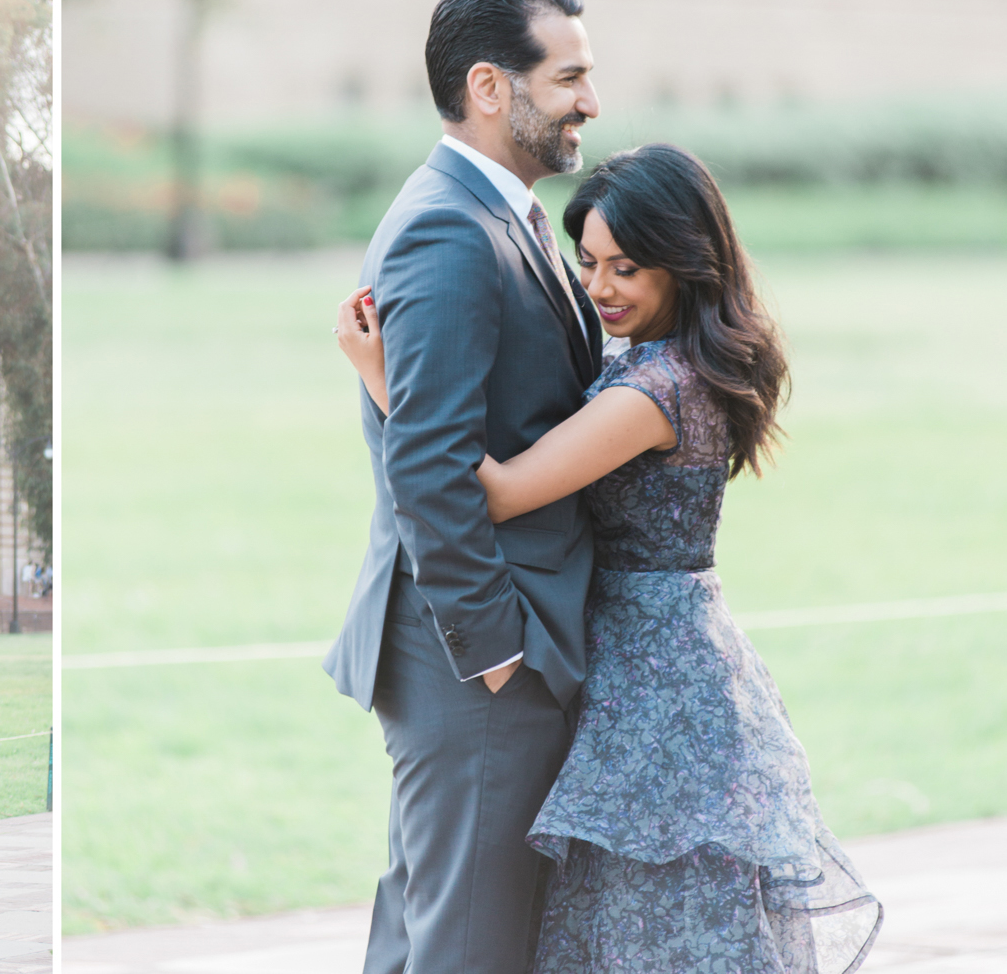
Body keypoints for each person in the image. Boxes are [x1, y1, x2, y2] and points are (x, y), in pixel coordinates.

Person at [336, 143, 882, 970]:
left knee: (647, 926)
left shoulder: (655, 391)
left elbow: (500, 489)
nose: (599, 288)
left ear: (685, 263)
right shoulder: (672, 364)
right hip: (662, 654)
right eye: (587, 262)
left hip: (650, 679)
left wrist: (385, 380)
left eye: (625, 267)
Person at [321, 0, 602, 973]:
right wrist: (495, 652)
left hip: (487, 648)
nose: (588, 102)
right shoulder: (448, 225)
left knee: (429, 932)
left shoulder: (507, 214)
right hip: (474, 657)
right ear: (492, 87)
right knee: (468, 947)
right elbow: (429, 461)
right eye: (568, 76)